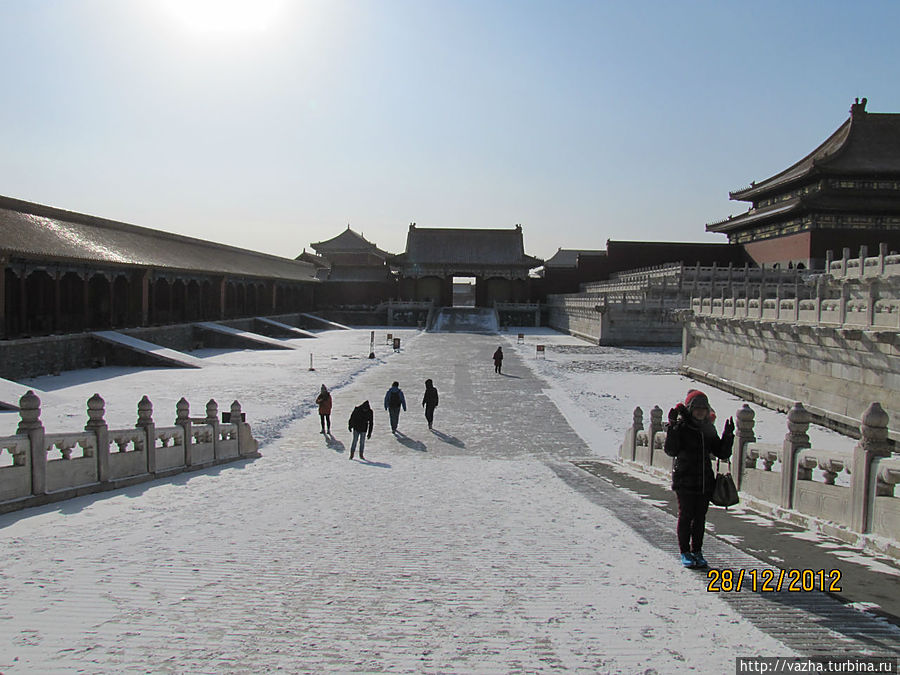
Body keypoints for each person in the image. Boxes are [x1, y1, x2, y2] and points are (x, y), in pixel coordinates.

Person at [663, 390, 734, 569]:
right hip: (685, 479)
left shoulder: (708, 428)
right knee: (686, 516)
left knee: (700, 518)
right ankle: (685, 552)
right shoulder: (682, 427)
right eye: (697, 408)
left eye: (704, 408)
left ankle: (697, 551)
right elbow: (671, 450)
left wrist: (728, 435)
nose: (701, 412)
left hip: (704, 481)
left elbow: (722, 453)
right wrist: (671, 427)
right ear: (690, 409)